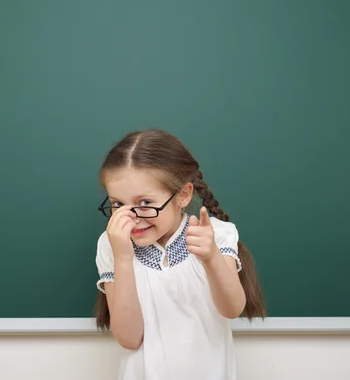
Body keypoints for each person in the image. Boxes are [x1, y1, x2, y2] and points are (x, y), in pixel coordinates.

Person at [93, 129, 265, 380]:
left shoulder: (215, 235)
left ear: (183, 195)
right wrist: (123, 258)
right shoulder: (113, 244)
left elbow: (232, 309)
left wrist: (211, 257)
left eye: (145, 203)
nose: (132, 217)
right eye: (118, 204)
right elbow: (129, 339)